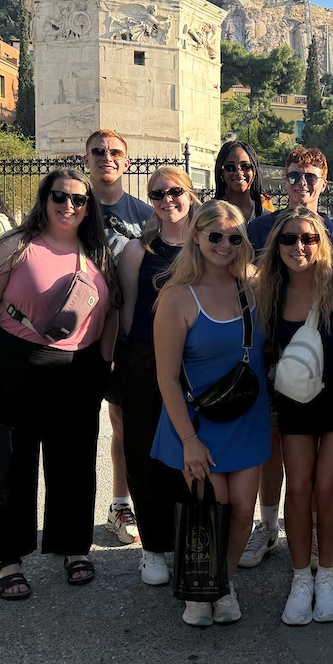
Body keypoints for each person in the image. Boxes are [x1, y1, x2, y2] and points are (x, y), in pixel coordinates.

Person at [0, 168, 120, 600]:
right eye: (60, 196)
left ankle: (72, 546)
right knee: (11, 462)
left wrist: (103, 363)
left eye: (79, 199)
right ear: (44, 198)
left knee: (75, 462)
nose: (69, 205)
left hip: (80, 367)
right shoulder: (15, 246)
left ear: (89, 206)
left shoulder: (98, 250)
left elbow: (112, 311)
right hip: (15, 363)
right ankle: (8, 557)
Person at [151, 200, 271, 626]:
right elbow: (166, 378)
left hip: (247, 418)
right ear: (196, 236)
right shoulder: (177, 296)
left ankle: (223, 581)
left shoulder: (254, 286)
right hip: (197, 422)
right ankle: (199, 585)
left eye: (234, 237)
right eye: (215, 235)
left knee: (242, 512)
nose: (224, 244)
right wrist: (188, 441)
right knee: (210, 508)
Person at [255, 207, 333, 625]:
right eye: (289, 239)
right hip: (294, 405)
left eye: (308, 238)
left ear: (322, 243)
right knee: (299, 486)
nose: (298, 246)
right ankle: (301, 576)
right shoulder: (269, 288)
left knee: (327, 486)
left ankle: (327, 573)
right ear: (277, 245)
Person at [240, 146, 333, 569]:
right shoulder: (259, 227)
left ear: (323, 182)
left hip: (318, 362)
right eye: (293, 176)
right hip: (271, 356)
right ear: (282, 180)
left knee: (316, 474)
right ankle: (268, 527)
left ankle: (319, 547)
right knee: (272, 450)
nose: (301, 184)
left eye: (309, 177)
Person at [118, 167, 199, 588]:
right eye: (157, 194)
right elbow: (128, 311)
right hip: (146, 361)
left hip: (197, 361)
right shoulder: (138, 250)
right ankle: (152, 546)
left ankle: (191, 537)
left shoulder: (208, 243)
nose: (167, 200)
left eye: (175, 191)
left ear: (190, 194)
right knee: (143, 452)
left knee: (191, 451)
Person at [85, 129, 154, 547]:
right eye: (98, 151)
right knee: (76, 429)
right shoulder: (71, 205)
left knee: (125, 421)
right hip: (77, 329)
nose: (106, 157)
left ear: (126, 162)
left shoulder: (145, 215)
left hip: (126, 328)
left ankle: (123, 502)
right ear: (86, 159)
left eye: (114, 152)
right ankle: (101, 509)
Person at [214, 134, 272, 222]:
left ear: (254, 171)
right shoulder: (210, 214)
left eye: (245, 166)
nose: (239, 172)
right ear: (221, 172)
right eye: (230, 167)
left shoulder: (267, 219)